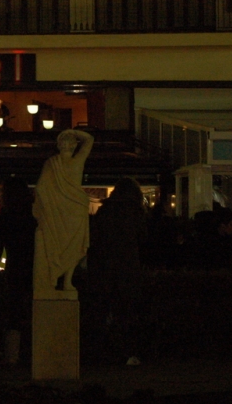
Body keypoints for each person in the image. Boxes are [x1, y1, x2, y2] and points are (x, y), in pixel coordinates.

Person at [87, 177, 147, 366]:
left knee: (104, 311)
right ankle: (128, 352)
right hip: (128, 268)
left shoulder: (104, 212)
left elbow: (94, 241)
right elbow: (143, 239)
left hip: (104, 268)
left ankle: (103, 352)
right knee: (127, 312)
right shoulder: (135, 212)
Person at [33, 129, 94, 296]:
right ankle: (63, 280)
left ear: (73, 145)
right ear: (60, 145)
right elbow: (89, 140)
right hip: (66, 210)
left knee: (70, 246)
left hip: (67, 210)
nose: (67, 145)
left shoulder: (58, 162)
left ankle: (65, 281)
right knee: (67, 245)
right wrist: (72, 132)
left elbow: (40, 188)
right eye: (65, 142)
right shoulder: (57, 162)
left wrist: (70, 131)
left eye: (70, 142)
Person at [0, 177, 37, 365]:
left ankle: (13, 355)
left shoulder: (6, 217)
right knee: (33, 310)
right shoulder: (34, 214)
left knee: (14, 312)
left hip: (15, 267)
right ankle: (35, 351)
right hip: (37, 266)